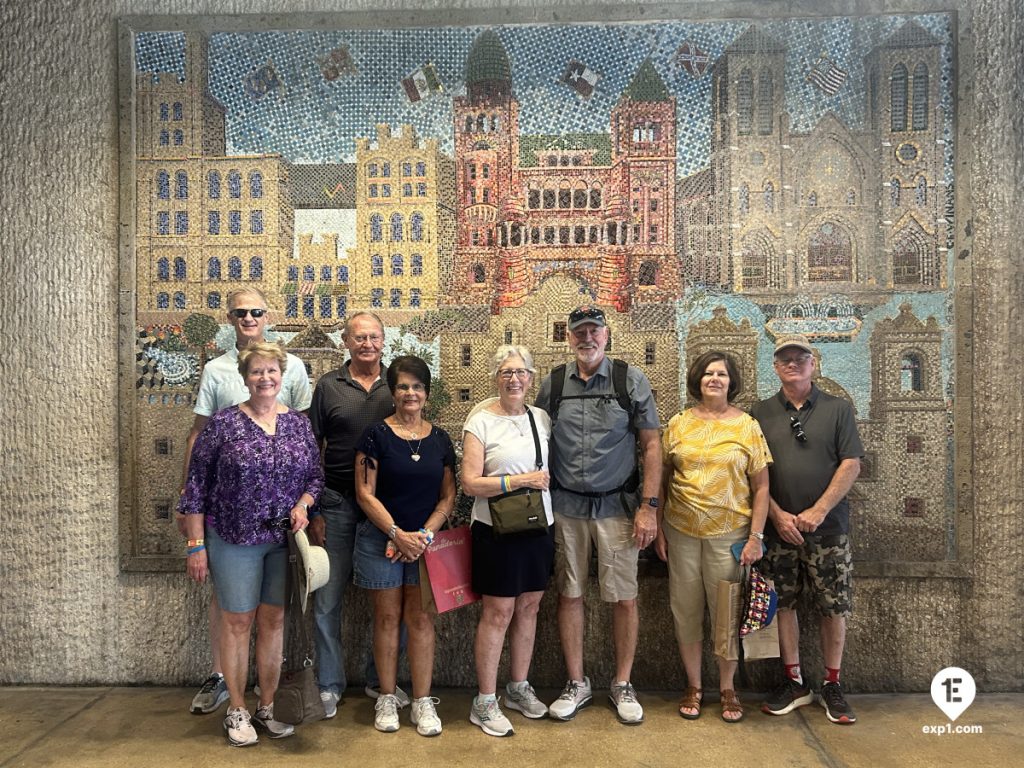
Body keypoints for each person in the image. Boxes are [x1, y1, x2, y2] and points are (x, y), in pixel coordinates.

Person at [179, 341, 323, 747]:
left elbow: (315, 478)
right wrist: (195, 544)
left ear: (284, 376)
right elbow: (196, 488)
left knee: (274, 622)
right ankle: (237, 708)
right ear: (245, 378)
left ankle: (268, 707)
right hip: (233, 538)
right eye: (257, 372)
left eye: (272, 371)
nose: (265, 378)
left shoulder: (297, 424)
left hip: (282, 542)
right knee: (238, 622)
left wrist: (304, 505)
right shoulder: (224, 425)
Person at [535, 304, 662, 725]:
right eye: (579, 332)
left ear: (607, 335)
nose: (587, 338)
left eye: (594, 331)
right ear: (568, 337)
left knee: (624, 596)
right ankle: (577, 682)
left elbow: (652, 447)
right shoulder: (553, 385)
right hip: (567, 508)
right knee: (569, 593)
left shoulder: (629, 380)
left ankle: (623, 682)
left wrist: (649, 507)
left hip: (618, 509)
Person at [750, 335, 863, 725]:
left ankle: (832, 683)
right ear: (776, 366)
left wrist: (818, 509)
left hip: (828, 528)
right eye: (785, 359)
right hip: (779, 530)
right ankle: (794, 680)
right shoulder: (760, 413)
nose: (793, 364)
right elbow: (756, 474)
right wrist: (776, 516)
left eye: (800, 358)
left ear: (813, 364)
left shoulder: (838, 409)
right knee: (784, 604)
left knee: (834, 606)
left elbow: (850, 464)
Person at [654, 351, 772, 723]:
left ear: (731, 381)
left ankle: (726, 687)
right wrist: (657, 525)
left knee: (726, 613)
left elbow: (762, 487)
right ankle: (693, 685)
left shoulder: (747, 426)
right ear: (697, 380)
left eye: (721, 374)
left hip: (730, 536)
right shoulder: (678, 423)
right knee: (685, 611)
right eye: (707, 373)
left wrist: (756, 536)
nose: (714, 379)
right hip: (682, 533)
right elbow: (662, 476)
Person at [307, 312, 409, 718]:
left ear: (385, 341)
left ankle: (378, 680)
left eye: (374, 337)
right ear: (346, 342)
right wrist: (313, 507)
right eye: (359, 337)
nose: (367, 343)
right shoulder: (329, 386)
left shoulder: (398, 384)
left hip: (387, 511)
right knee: (328, 601)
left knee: (390, 603)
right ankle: (329, 684)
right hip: (335, 505)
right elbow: (311, 448)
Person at [353, 355, 456, 736]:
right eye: (402, 386)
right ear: (392, 392)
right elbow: (365, 493)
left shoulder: (441, 439)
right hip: (382, 541)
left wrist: (423, 537)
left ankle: (423, 701)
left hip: (425, 544)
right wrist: (397, 534)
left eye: (417, 386)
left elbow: (448, 497)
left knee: (421, 619)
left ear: (427, 393)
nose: (410, 393)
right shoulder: (375, 436)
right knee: (386, 619)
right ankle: (386, 695)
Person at [461, 345, 554, 737]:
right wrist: (521, 481)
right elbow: (470, 483)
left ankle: (517, 686)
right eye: (506, 372)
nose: (514, 379)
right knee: (497, 613)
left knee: (529, 607)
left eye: (520, 372)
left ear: (532, 378)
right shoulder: (480, 422)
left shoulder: (541, 418)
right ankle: (484, 699)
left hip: (538, 526)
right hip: (495, 529)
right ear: (495, 378)